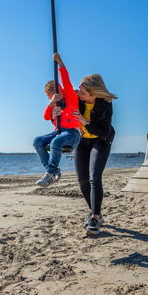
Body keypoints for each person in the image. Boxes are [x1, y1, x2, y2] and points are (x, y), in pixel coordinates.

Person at [54, 73, 117, 235]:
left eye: (82, 92)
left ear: (93, 93)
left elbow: (104, 131)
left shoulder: (105, 105)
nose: (78, 93)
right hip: (82, 141)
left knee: (94, 177)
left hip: (101, 140)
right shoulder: (76, 98)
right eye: (79, 89)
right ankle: (96, 213)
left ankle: (94, 217)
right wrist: (55, 110)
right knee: (82, 180)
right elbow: (60, 111)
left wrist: (84, 121)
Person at [33, 53, 81, 187]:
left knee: (56, 141)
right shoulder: (53, 105)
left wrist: (60, 62)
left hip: (72, 133)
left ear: (59, 90)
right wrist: (52, 105)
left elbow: (65, 78)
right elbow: (46, 117)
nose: (53, 98)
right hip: (58, 132)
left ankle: (50, 174)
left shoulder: (70, 95)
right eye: (50, 97)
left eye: (54, 95)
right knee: (37, 141)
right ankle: (53, 171)